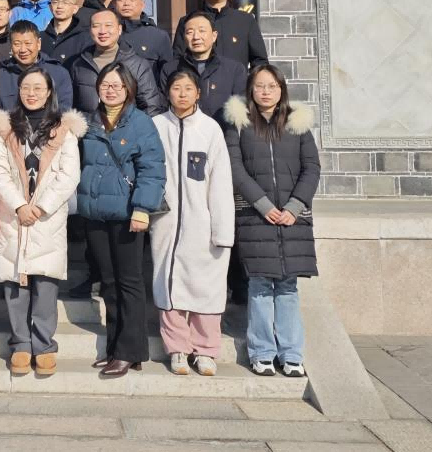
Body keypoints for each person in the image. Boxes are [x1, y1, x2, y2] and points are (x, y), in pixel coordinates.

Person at [223, 64, 320, 379]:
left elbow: (311, 168)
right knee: (260, 285)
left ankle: (291, 354)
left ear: (282, 90)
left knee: (288, 286)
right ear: (250, 89)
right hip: (256, 217)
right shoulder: (239, 124)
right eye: (260, 86)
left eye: (272, 86)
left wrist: (295, 206)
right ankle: (262, 352)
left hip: (292, 219)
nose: (265, 92)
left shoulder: (297, 123)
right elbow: (235, 169)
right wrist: (263, 205)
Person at [0, 70, 84, 377]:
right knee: (15, 280)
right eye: (26, 87)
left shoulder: (63, 130)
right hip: (13, 215)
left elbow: (69, 174)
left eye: (38, 88)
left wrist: (40, 207)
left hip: (47, 218)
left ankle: (44, 345)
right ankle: (20, 343)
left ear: (49, 92)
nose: (32, 93)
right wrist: (19, 205)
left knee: (45, 282)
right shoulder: (4, 129)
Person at [75, 63, 166, 378]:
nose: (110, 90)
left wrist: (142, 208)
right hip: (96, 213)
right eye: (105, 85)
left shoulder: (140, 123)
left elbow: (152, 168)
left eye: (117, 85)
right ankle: (116, 347)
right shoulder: (89, 121)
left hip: (128, 214)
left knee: (129, 281)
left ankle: (129, 351)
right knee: (109, 282)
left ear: (128, 89)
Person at [151, 69, 234, 377]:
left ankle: (206, 350)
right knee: (169, 283)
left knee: (206, 287)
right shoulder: (157, 126)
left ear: (198, 93)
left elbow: (221, 183)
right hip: (166, 222)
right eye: (177, 88)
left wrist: (222, 229)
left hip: (203, 222)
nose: (182, 94)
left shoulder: (210, 130)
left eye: (188, 88)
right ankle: (177, 348)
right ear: (168, 92)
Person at [69, 9, 164, 115]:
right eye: (96, 26)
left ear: (119, 29)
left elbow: (151, 106)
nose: (102, 31)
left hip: (127, 124)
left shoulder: (137, 64)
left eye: (108, 25)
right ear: (90, 30)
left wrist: (135, 125)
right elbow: (71, 106)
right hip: (89, 124)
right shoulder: (79, 64)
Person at [159, 11, 248, 122]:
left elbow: (241, 113)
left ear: (214, 36)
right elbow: (163, 107)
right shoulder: (170, 69)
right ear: (184, 37)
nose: (196, 37)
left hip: (222, 131)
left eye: (202, 31)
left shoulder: (234, 70)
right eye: (190, 32)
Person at [174, 0, 268, 69]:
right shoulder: (188, 21)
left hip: (236, 79)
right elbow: (177, 58)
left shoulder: (245, 20)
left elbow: (260, 61)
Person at [0, 20, 74, 112]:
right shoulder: (0, 74)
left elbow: (64, 110)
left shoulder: (58, 73)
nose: (23, 50)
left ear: (38, 44)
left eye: (28, 43)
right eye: (17, 44)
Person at [115, 0, 175, 66]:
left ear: (142, 4)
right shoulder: (106, 32)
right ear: (114, 4)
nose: (126, 3)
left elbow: (167, 70)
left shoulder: (158, 36)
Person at [42, 0, 92, 65]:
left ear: (75, 9)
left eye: (65, 2)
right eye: (55, 2)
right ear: (50, 7)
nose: (59, 6)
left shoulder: (85, 38)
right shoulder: (40, 37)